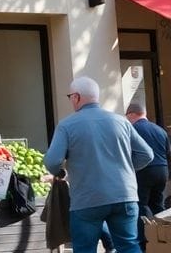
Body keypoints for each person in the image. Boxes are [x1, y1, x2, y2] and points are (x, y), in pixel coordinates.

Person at [43, 76, 153, 253]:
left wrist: (60, 173)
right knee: (128, 245)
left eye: (70, 96)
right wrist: (127, 168)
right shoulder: (121, 121)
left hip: (87, 198)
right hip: (124, 194)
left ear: (76, 97)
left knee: (85, 248)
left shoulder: (67, 125)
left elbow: (52, 161)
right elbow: (147, 154)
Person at [127, 102, 169, 250]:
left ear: (132, 114)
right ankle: (164, 236)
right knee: (158, 204)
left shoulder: (133, 129)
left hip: (144, 171)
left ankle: (146, 241)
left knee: (141, 205)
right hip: (162, 171)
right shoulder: (160, 130)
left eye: (127, 116)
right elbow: (168, 152)